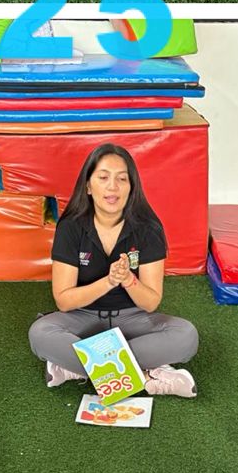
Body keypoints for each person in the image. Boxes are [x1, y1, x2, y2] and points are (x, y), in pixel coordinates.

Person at [28, 144, 200, 396]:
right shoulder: (70, 227)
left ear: (131, 187)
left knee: (186, 335)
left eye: (122, 179)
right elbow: (64, 301)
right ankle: (147, 376)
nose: (113, 187)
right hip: (82, 317)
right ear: (88, 187)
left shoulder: (148, 228)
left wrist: (128, 279)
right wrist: (108, 282)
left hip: (133, 318)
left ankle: (78, 368)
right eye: (103, 177)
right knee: (41, 333)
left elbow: (151, 302)